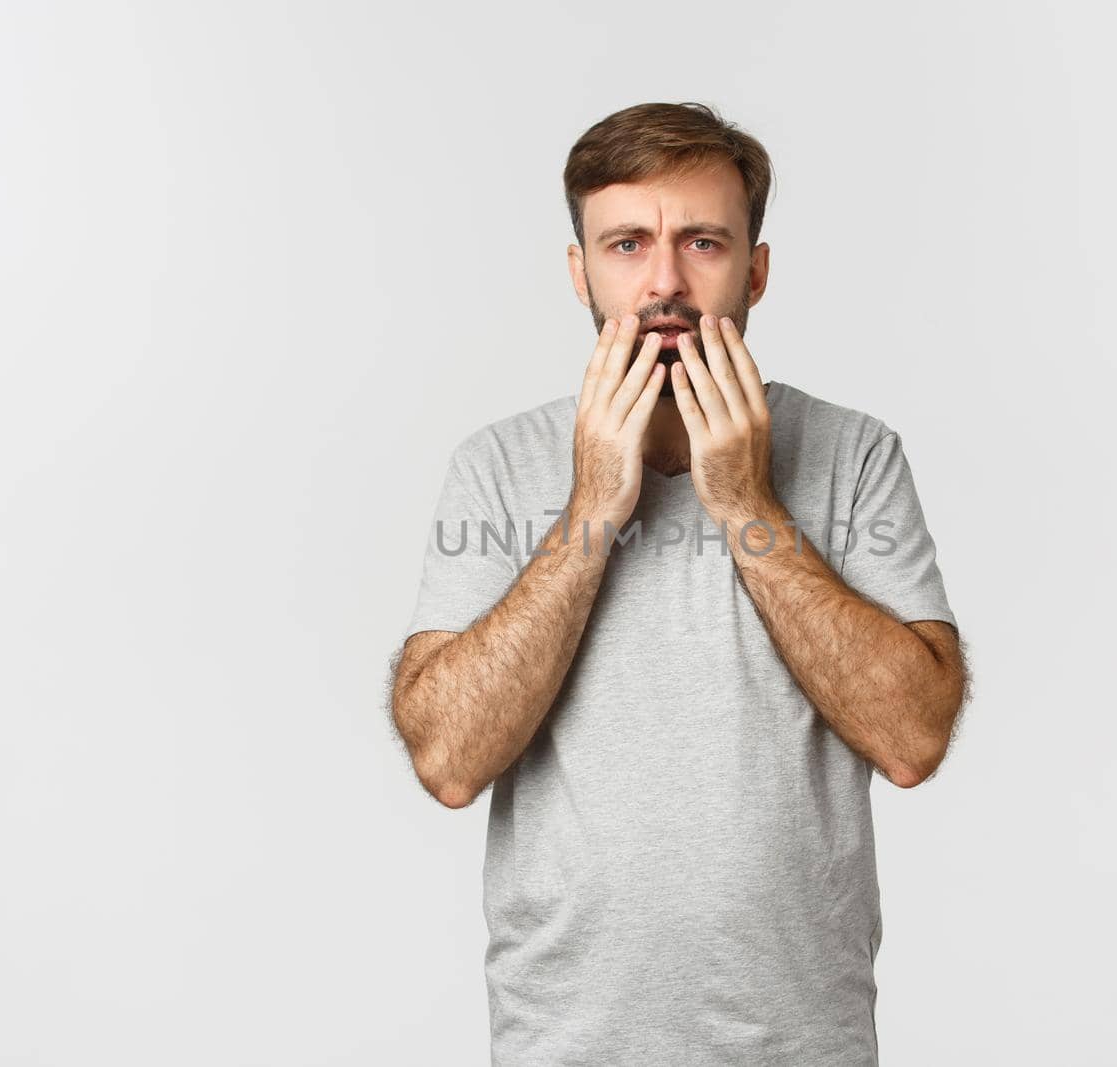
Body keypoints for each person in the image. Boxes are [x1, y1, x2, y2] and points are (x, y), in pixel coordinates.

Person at [388, 101, 969, 1066]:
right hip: (566, 1044)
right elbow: (449, 760)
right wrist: (589, 511)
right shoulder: (495, 465)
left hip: (798, 1042)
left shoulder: (855, 455)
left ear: (757, 269)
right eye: (626, 244)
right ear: (580, 272)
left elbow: (911, 740)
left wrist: (747, 502)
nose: (665, 280)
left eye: (703, 241)